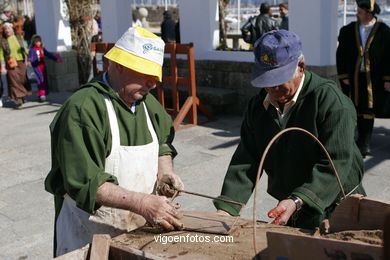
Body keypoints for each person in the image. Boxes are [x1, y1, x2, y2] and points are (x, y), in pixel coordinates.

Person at [45, 27, 184, 256]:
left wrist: (164, 173)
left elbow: (163, 144)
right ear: (118, 65)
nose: (153, 84)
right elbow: (86, 182)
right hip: (86, 233)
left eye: (155, 76)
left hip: (136, 230)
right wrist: (142, 203)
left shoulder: (148, 104)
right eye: (145, 75)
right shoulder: (83, 109)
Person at [214, 30, 366, 230]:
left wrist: (298, 200)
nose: (271, 90)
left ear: (301, 67)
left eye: (278, 81)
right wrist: (227, 207)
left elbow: (336, 162)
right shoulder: (257, 106)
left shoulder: (331, 102)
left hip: (335, 204)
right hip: (290, 203)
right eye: (265, 82)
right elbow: (247, 158)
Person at [336, 0, 390, 158]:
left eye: (360, 11)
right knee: (353, 107)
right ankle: (355, 139)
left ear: (368, 13)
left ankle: (365, 143)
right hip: (353, 77)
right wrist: (343, 75)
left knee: (369, 109)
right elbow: (342, 54)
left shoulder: (384, 32)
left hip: (374, 78)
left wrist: (388, 78)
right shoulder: (347, 30)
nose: (356, 14)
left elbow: (389, 57)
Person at [0, 22, 30, 109]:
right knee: (13, 82)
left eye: (8, 29)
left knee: (21, 80)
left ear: (12, 29)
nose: (7, 31)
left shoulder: (18, 38)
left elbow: (24, 48)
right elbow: (1, 54)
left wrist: (28, 59)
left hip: (20, 62)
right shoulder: (3, 41)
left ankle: (21, 97)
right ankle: (18, 101)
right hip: (10, 63)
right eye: (5, 29)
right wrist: (2, 66)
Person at [28, 35, 62, 102]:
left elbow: (48, 54)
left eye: (39, 42)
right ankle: (42, 95)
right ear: (34, 43)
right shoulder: (32, 50)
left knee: (44, 80)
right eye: (36, 42)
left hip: (43, 66)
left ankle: (43, 94)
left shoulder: (42, 49)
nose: (38, 43)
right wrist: (30, 61)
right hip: (36, 67)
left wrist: (56, 58)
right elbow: (31, 57)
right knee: (41, 80)